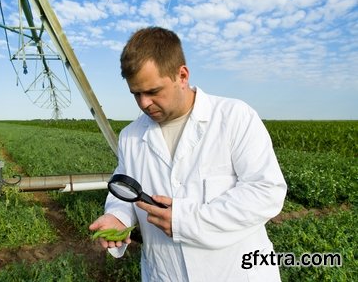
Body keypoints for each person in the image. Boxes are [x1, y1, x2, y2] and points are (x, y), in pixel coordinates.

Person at [89, 26, 287, 281]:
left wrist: (186, 222)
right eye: (136, 93)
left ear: (182, 75)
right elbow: (125, 188)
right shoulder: (131, 136)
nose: (143, 103)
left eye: (153, 91)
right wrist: (117, 215)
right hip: (164, 273)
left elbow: (266, 192)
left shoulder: (234, 117)